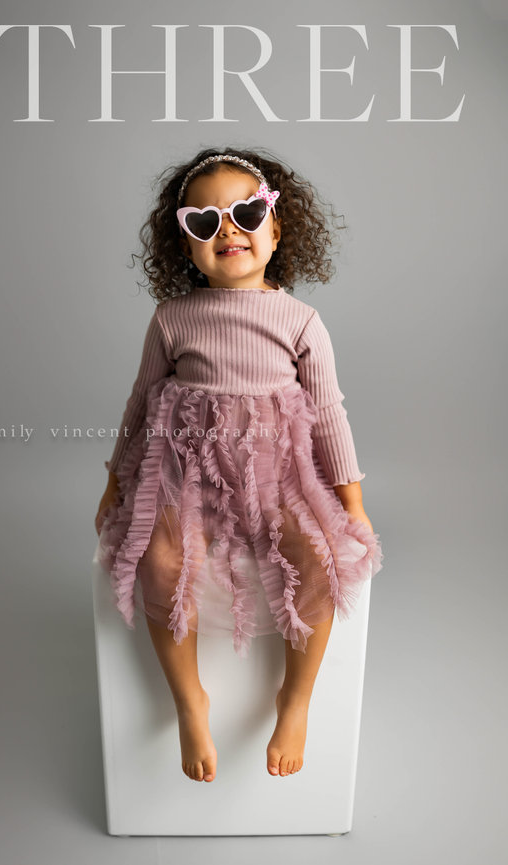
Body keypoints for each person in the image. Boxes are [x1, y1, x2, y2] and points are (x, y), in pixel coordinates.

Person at [95, 147, 383, 785]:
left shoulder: (301, 321)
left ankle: (296, 697)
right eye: (204, 223)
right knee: (160, 559)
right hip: (184, 474)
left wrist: (351, 500)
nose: (228, 230)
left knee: (316, 558)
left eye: (246, 213)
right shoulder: (172, 320)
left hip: (276, 477)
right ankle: (189, 698)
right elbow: (141, 404)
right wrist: (115, 481)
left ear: (275, 229)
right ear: (186, 246)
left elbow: (329, 413)